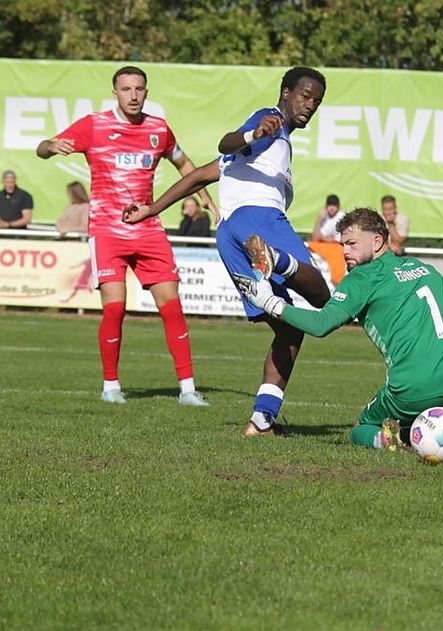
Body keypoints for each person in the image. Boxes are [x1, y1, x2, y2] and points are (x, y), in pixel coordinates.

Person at [122, 66, 331, 434]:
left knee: (290, 329)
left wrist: (152, 209)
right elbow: (227, 141)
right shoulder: (272, 122)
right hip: (259, 222)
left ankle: (261, 420)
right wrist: (254, 131)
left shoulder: (261, 151)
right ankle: (277, 263)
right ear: (285, 92)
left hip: (230, 234)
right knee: (322, 296)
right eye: (304, 95)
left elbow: (200, 175)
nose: (309, 104)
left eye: (316, 100)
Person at [231, 207, 443, 456]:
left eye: (352, 244)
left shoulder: (361, 279)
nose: (345, 252)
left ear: (377, 241)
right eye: (342, 245)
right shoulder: (423, 268)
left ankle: (399, 442)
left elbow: (321, 326)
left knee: (363, 428)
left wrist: (270, 303)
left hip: (413, 390)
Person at [35, 65, 214, 406]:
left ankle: (188, 390)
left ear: (147, 92)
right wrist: (48, 145)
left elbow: (184, 163)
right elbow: (43, 150)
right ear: (114, 92)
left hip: (148, 228)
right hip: (106, 231)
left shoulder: (158, 129)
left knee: (172, 307)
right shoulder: (94, 125)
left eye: (139, 89)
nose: (133, 95)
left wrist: (203, 195)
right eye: (126, 89)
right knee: (115, 309)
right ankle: (111, 387)